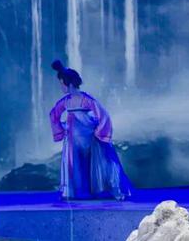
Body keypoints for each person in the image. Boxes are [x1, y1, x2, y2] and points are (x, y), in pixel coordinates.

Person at [49, 60, 131, 200]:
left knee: (99, 165)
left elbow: (103, 116)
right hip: (73, 140)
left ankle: (106, 191)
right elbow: (53, 114)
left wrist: (99, 132)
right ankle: (76, 192)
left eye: (62, 84)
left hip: (90, 138)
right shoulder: (66, 101)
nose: (61, 87)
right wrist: (62, 129)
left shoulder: (87, 100)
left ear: (69, 84)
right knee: (75, 166)